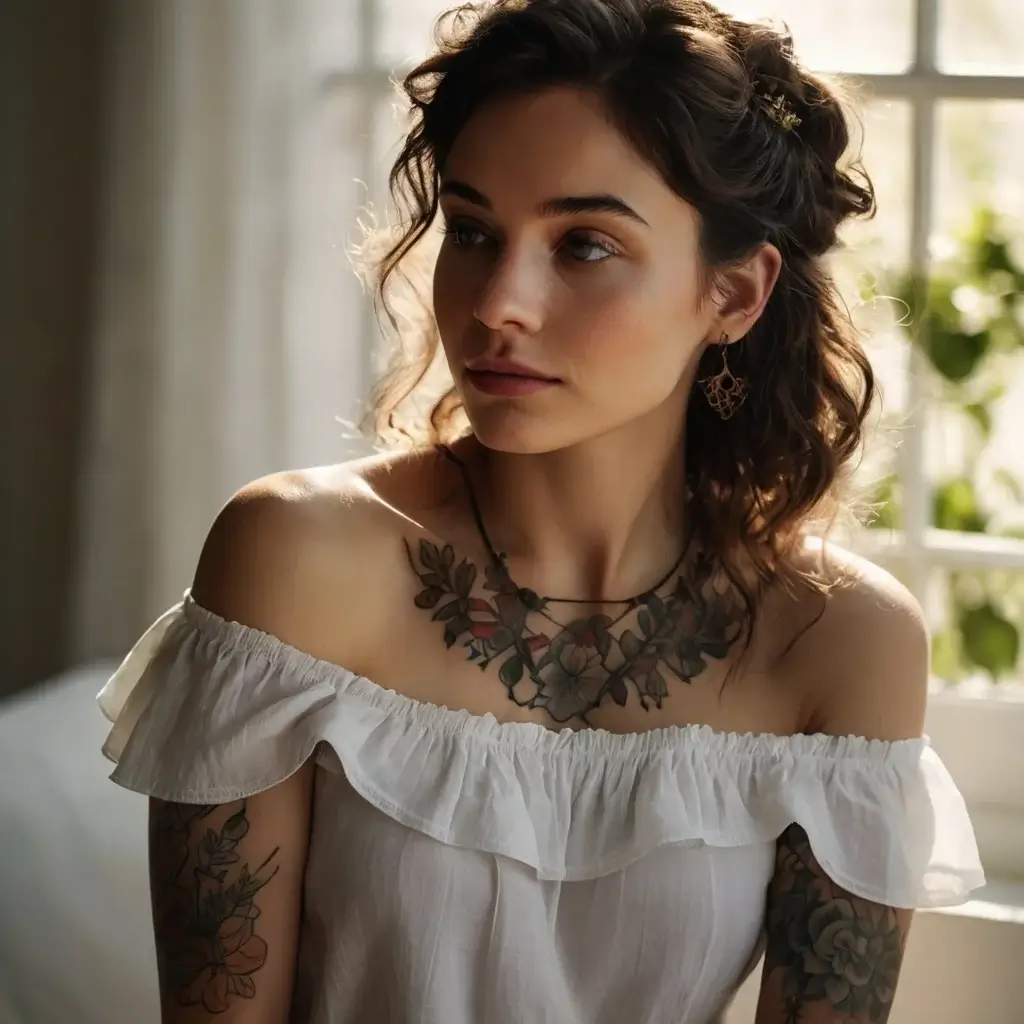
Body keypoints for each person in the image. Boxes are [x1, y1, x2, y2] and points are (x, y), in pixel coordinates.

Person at [98, 1, 985, 1021]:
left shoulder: (840, 643)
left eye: (584, 246)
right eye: (473, 231)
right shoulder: (297, 559)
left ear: (734, 293)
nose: (496, 302)